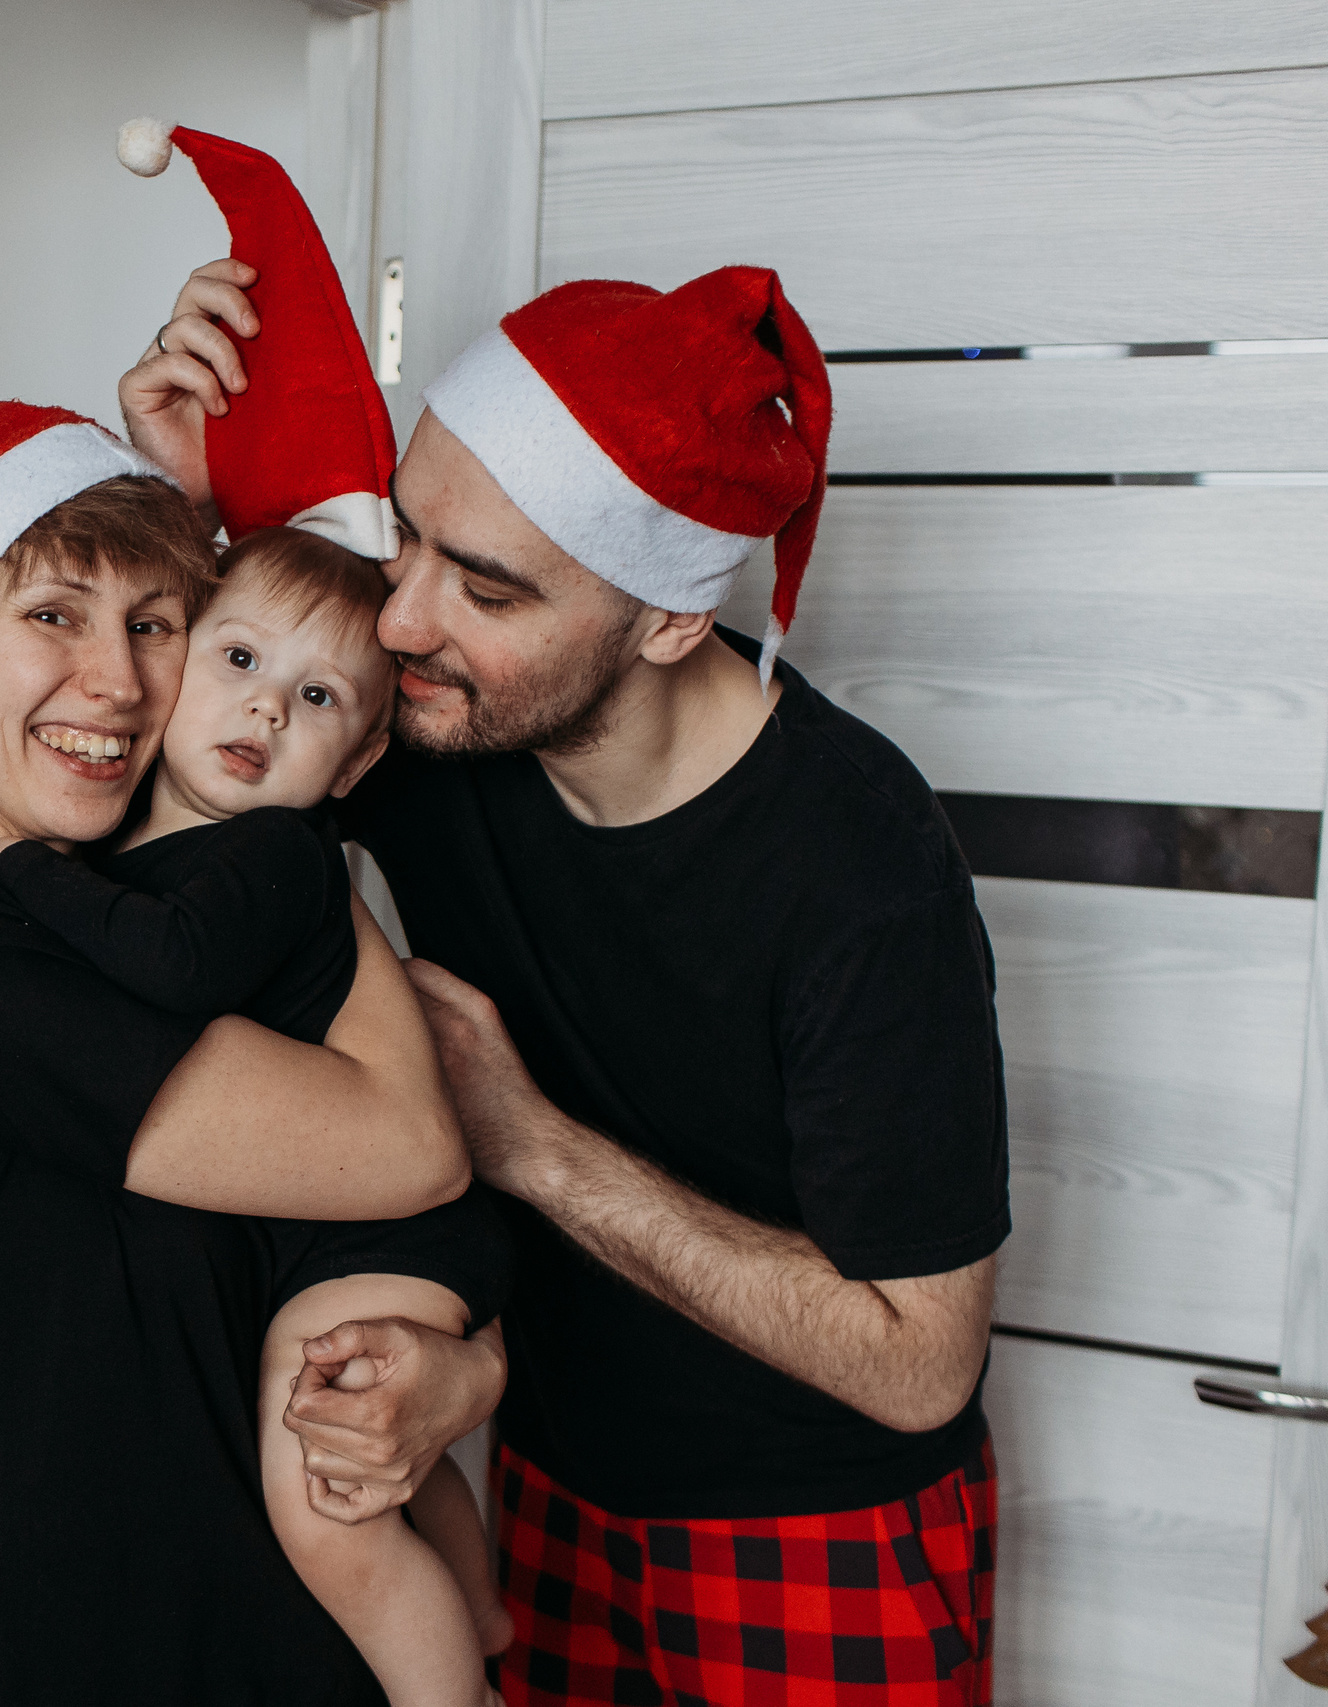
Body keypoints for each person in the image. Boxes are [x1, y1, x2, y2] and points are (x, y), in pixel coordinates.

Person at [122, 253, 1008, 1703]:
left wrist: (528, 1141)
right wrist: (181, 507)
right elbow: (204, 735)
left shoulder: (861, 866)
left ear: (663, 621)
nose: (402, 619)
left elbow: (920, 1362)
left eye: (481, 586)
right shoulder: (430, 719)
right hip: (544, 1489)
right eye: (409, 542)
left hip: (821, 1534)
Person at [0, 398, 512, 1704]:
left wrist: (467, 1364)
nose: (118, 681)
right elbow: (409, 1147)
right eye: (53, 614)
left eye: (154, 627)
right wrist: (295, 847)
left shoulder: (119, 917)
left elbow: (289, 1266)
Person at [0, 521, 517, 1705]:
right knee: (386, 1457)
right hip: (324, 1221)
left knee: (322, 1500)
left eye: (313, 696)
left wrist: (10, 866)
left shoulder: (275, 854)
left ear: (360, 758)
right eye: (235, 662)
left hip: (376, 1231)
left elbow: (173, 967)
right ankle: (472, 1609)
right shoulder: (131, 838)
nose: (264, 711)